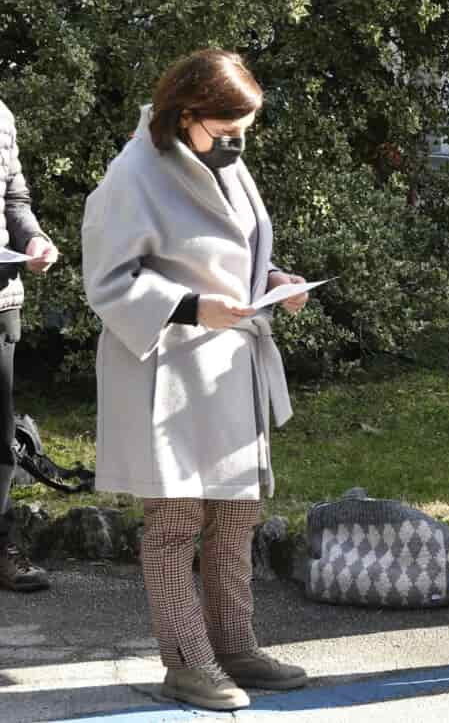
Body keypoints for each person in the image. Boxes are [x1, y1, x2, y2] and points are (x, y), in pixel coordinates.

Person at [82, 50, 310, 711]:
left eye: (245, 127)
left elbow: (237, 249)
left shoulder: (223, 159)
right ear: (188, 115)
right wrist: (192, 307)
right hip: (166, 370)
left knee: (237, 516)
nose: (239, 139)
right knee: (177, 519)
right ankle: (187, 659)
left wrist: (274, 282)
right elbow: (108, 280)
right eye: (228, 125)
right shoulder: (132, 174)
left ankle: (234, 643)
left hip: (228, 371)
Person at [0, 99, 59, 593]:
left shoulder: (1, 114)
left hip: (0, 297)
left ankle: (0, 548)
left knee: (0, 438)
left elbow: (14, 202)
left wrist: (35, 239)